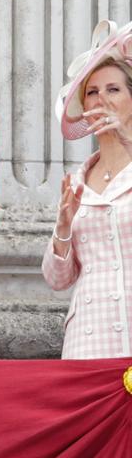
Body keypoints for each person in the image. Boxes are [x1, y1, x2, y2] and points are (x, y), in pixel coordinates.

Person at [44, 21, 132, 358]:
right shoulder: (77, 180)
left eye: (113, 90)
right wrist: (63, 229)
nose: (101, 99)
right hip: (87, 342)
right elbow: (57, 280)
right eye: (92, 92)